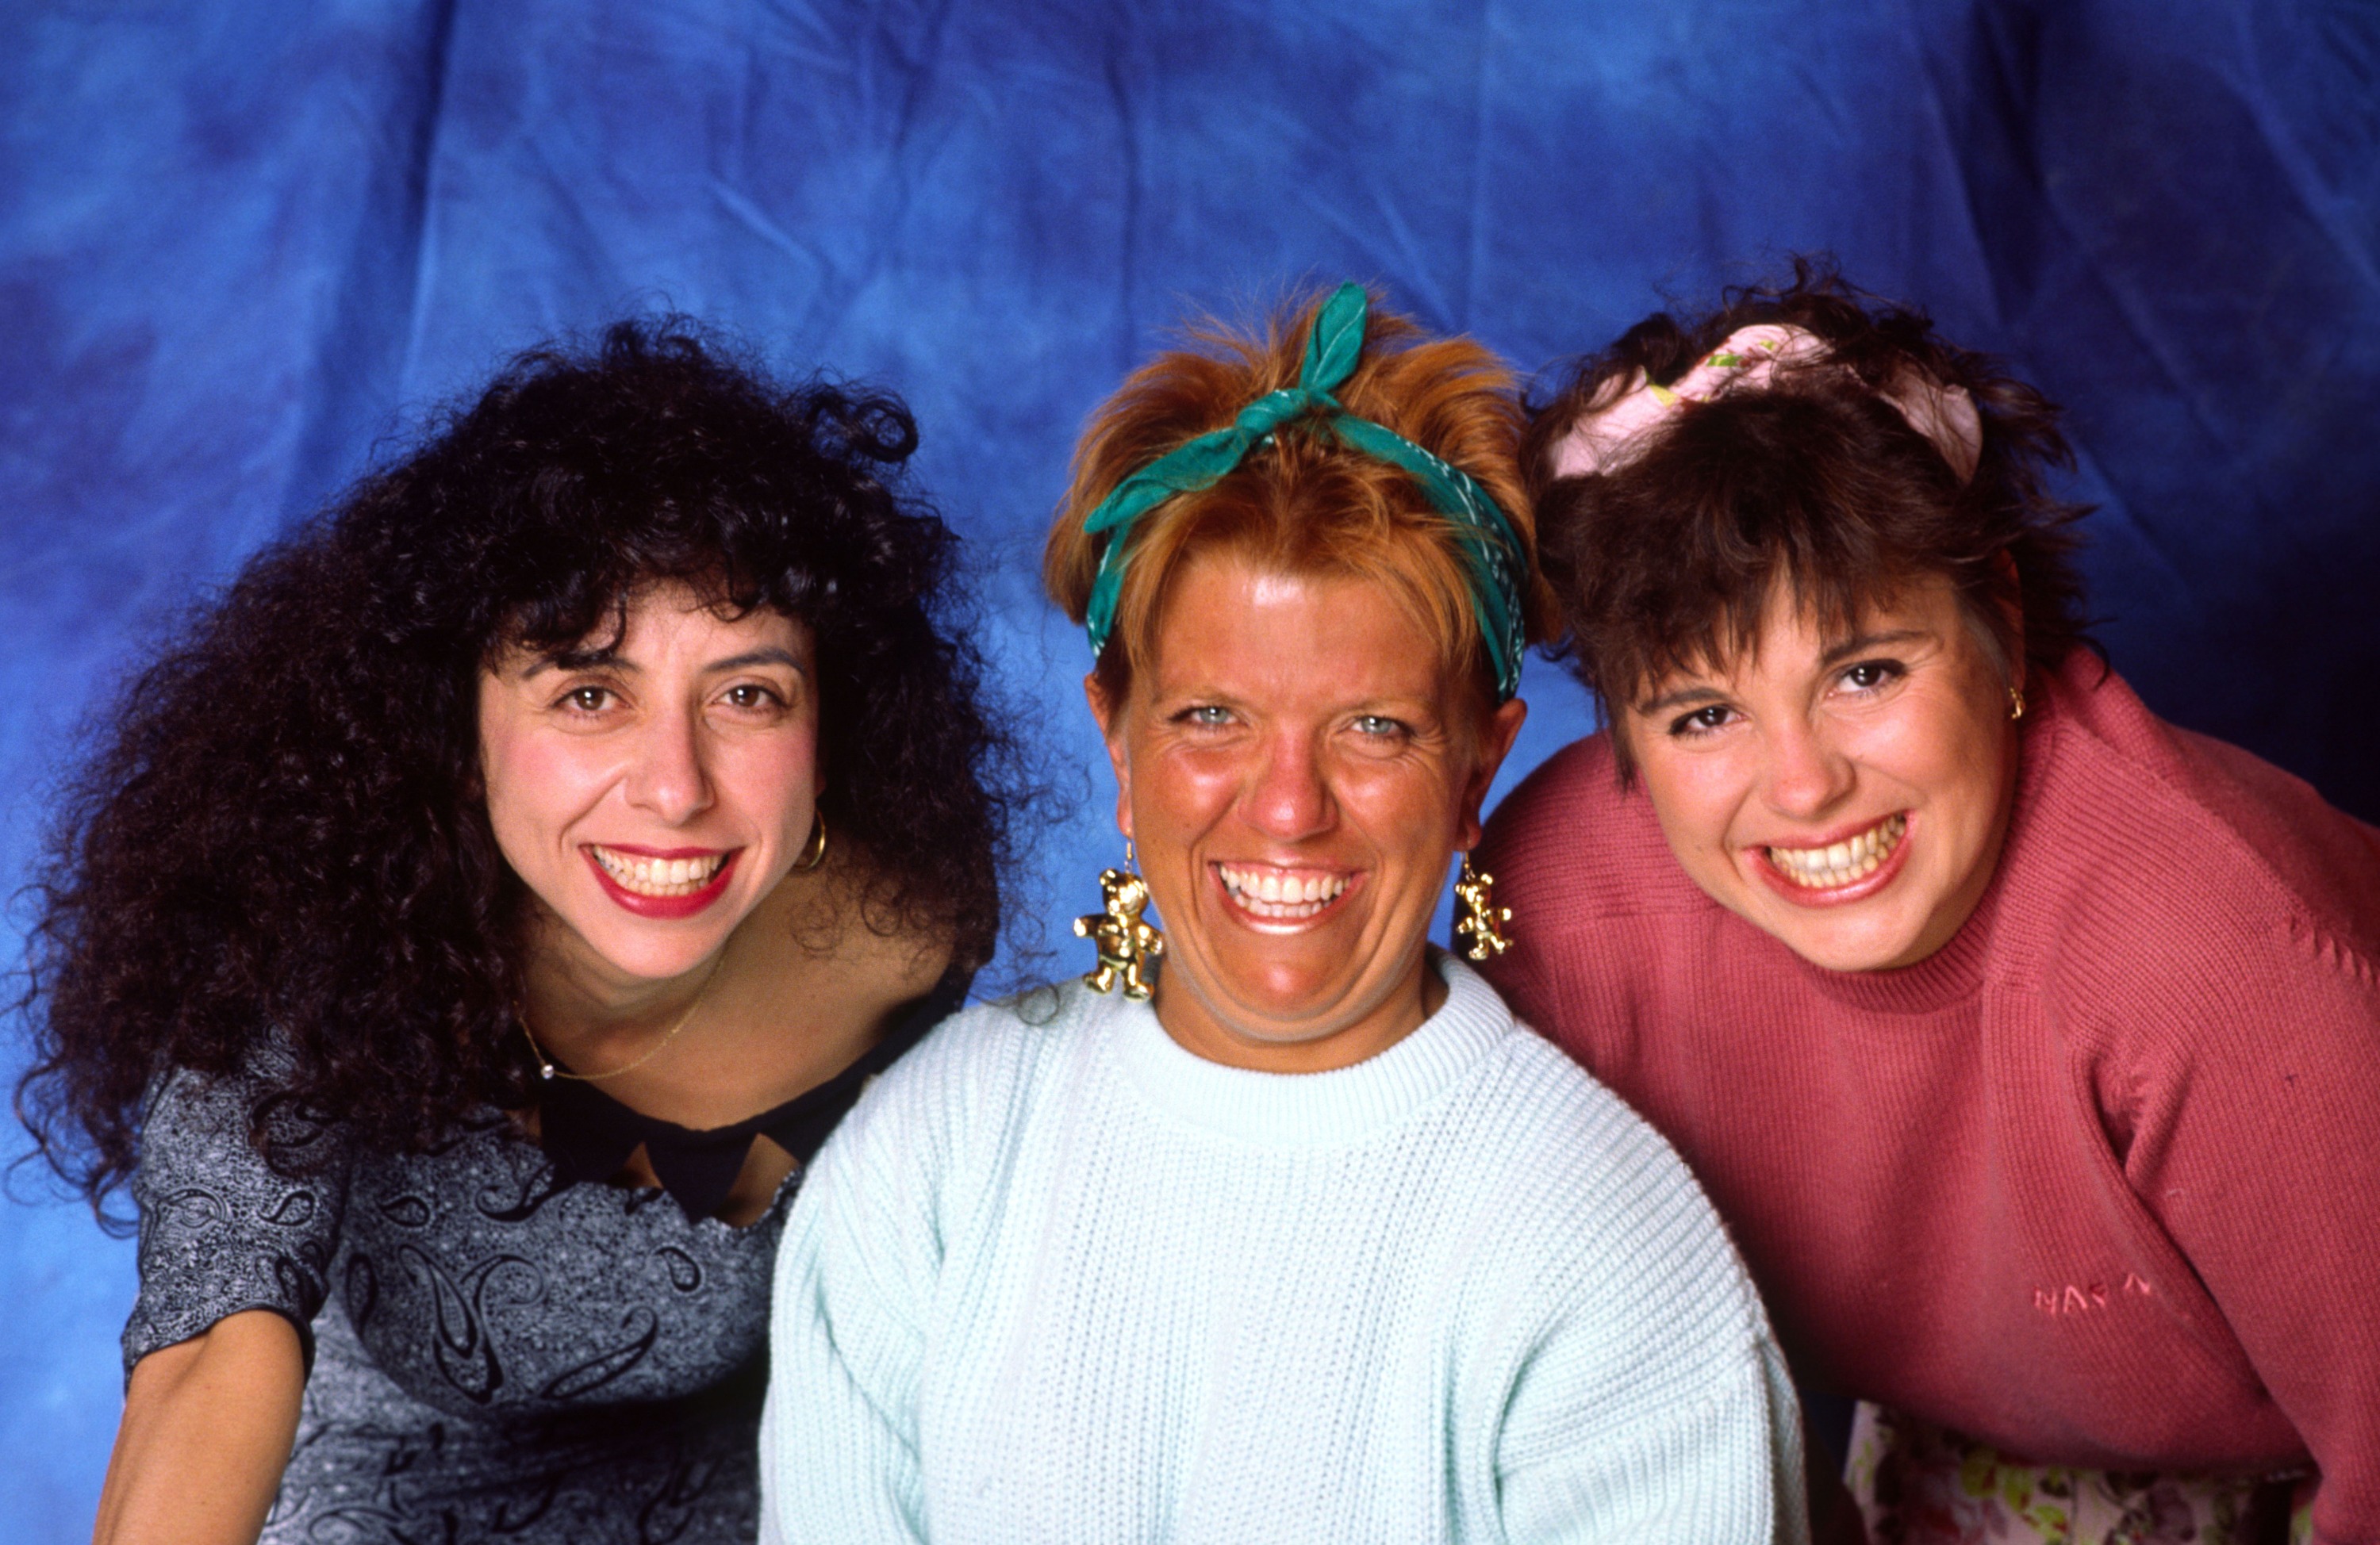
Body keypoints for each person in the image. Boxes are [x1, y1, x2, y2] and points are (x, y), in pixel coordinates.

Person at [758, 282, 1810, 1543]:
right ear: (1118, 743)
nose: (1289, 808)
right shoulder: (930, 1158)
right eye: (1213, 718)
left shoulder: (1607, 1246)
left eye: (1376, 729)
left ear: (1478, 770)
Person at [17, 321, 1018, 1544]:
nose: (676, 788)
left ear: (828, 733)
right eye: (589, 693)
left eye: (747, 694)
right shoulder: (304, 934)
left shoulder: (896, 940)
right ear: (456, 724)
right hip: (384, 1503)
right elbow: (211, 1349)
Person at [1478, 266, 2380, 1545]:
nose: (1803, 787)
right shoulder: (1554, 910)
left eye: (1865, 672)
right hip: (1997, 1427)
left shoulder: (2222, 963)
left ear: (2000, 623)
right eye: (1704, 713)